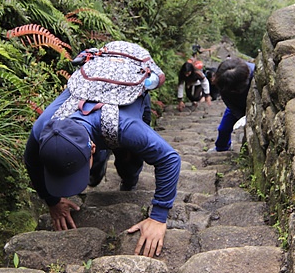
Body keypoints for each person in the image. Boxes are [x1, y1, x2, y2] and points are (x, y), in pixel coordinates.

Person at [24, 44, 181, 258]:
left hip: (128, 94)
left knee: (131, 157)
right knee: (95, 173)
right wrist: (52, 201)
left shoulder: (127, 128)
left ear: (93, 147)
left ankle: (128, 180)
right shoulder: (43, 128)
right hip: (97, 111)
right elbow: (31, 161)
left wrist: (158, 216)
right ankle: (98, 167)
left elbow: (169, 159)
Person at [210, 57, 255, 152]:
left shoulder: (254, 74)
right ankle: (222, 148)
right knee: (223, 129)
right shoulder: (223, 80)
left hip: (253, 104)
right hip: (235, 106)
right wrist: (240, 116)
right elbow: (227, 101)